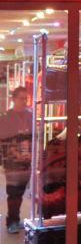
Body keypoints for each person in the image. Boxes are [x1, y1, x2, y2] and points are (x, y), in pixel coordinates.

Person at [0, 86, 33, 234]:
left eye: (26, 98)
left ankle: (15, 218)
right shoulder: (6, 118)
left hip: (26, 160)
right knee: (13, 191)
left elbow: (33, 137)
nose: (24, 101)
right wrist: (15, 153)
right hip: (12, 162)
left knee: (20, 191)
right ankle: (11, 221)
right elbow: (3, 140)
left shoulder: (29, 116)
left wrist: (31, 153)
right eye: (21, 98)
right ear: (13, 99)